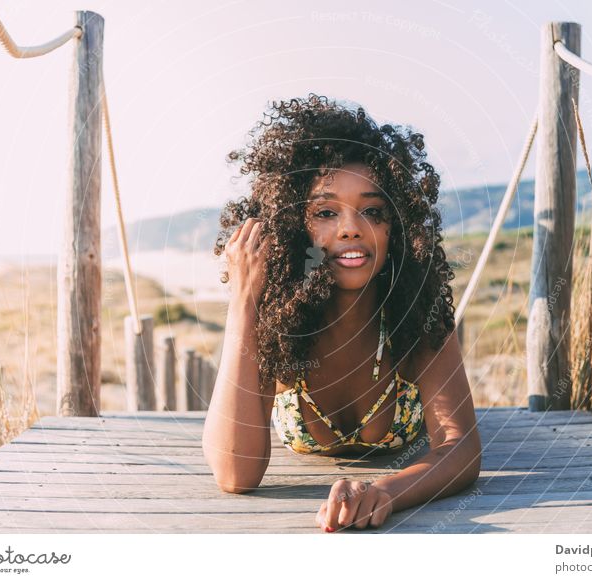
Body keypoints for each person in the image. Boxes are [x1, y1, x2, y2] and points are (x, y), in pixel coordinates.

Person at [202, 94, 481, 532]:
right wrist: (243, 302)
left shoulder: (416, 315)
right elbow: (236, 475)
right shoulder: (276, 327)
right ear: (295, 227)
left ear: (396, 227)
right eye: (326, 212)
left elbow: (460, 445)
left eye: (372, 211)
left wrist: (386, 491)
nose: (351, 227)